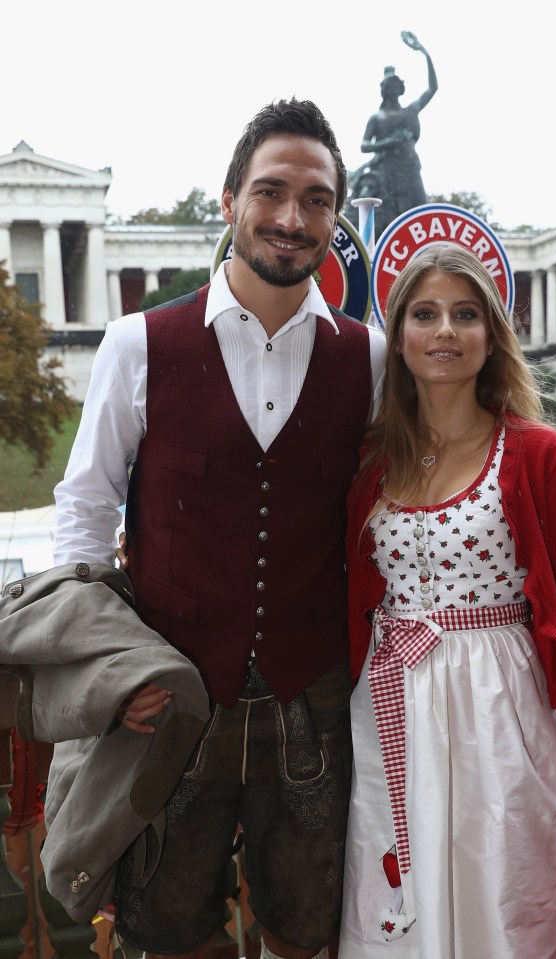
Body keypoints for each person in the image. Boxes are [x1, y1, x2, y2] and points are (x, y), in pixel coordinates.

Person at [53, 98, 386, 959]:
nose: (290, 217)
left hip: (311, 701)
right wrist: (106, 672)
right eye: (271, 191)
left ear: (333, 219)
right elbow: (85, 514)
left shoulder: (372, 360)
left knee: (306, 935)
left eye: (316, 200)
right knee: (168, 937)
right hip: (169, 701)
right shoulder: (136, 345)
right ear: (230, 196)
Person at [338, 244, 556, 958]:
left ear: (490, 334)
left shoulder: (543, 458)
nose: (444, 330)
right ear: (399, 336)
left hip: (502, 715)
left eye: (464, 314)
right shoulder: (369, 463)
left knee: (508, 904)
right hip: (390, 713)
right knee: (396, 909)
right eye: (425, 313)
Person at [347, 31, 437, 235]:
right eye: (390, 85)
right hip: (387, 170)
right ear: (385, 89)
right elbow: (364, 145)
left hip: (410, 167)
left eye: (397, 85)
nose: (394, 88)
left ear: (401, 88)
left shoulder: (411, 110)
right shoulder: (377, 117)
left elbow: (432, 88)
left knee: (420, 212)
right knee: (391, 218)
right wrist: (389, 141)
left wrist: (424, 52)